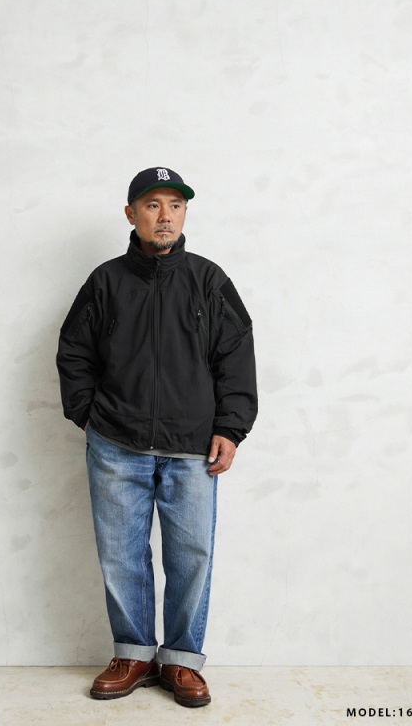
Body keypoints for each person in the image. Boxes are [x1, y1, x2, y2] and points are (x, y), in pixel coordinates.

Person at [56, 167, 258, 708]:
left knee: (191, 557)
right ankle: (134, 655)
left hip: (192, 448)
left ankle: (183, 661)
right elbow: (74, 350)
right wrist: (87, 415)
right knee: (121, 556)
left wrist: (230, 428)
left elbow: (236, 355)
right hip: (115, 444)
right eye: (152, 205)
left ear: (185, 213)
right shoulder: (105, 281)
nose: (164, 215)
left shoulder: (209, 280)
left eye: (175, 205)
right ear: (131, 214)